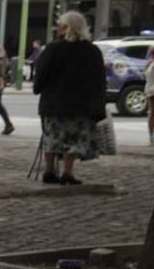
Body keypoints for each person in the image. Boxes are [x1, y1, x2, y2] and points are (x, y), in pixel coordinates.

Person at [33, 11, 107, 186]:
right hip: (81, 105)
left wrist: (39, 88)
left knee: (52, 137)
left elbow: (42, 73)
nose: (57, 27)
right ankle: (67, 172)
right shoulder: (92, 51)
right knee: (75, 139)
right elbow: (99, 79)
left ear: (67, 27)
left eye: (60, 24)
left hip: (54, 103)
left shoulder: (53, 48)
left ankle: (49, 171)